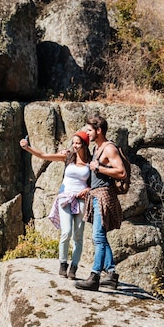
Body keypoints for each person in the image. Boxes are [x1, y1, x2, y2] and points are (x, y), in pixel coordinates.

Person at [20, 131, 91, 279]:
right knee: (66, 232)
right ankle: (63, 264)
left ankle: (74, 267)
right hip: (65, 198)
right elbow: (44, 156)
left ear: (85, 144)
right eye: (74, 142)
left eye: (78, 143)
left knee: (78, 236)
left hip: (81, 200)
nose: (75, 145)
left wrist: (88, 189)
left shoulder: (91, 162)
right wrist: (28, 148)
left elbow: (96, 182)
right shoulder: (68, 156)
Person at [74, 113, 126, 292]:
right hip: (96, 195)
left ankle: (94, 276)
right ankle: (111, 274)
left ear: (99, 130)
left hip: (104, 197)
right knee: (100, 236)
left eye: (89, 130)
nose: (86, 133)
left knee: (98, 237)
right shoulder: (97, 149)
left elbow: (121, 172)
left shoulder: (109, 148)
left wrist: (100, 168)